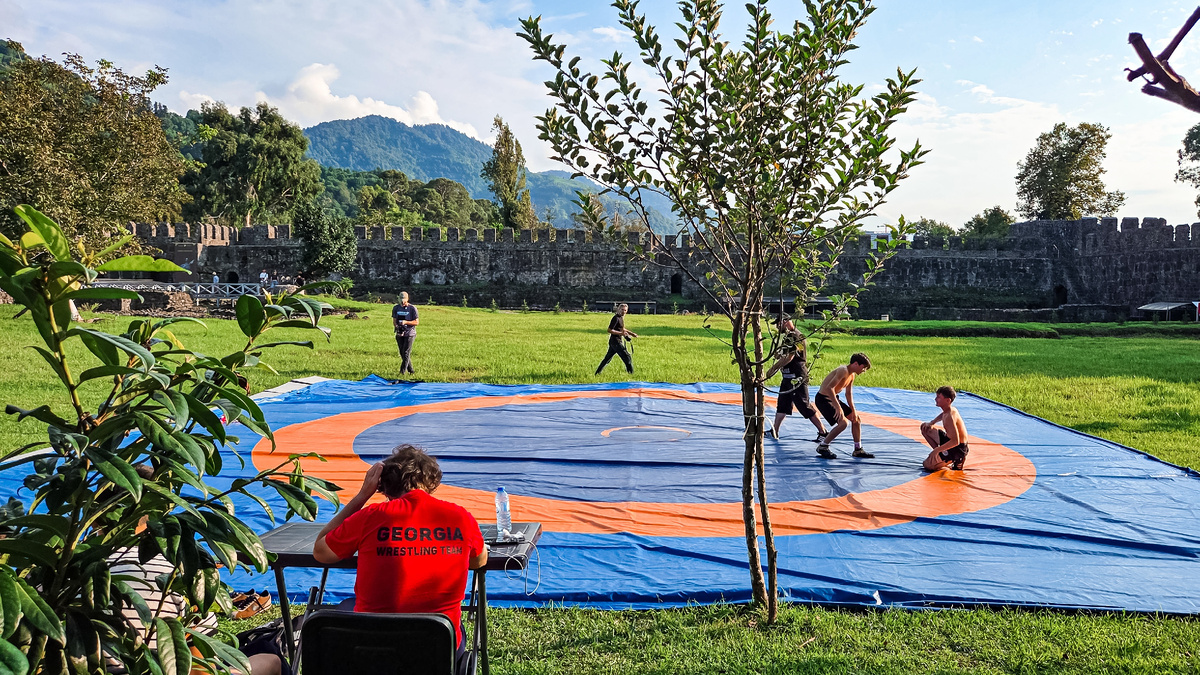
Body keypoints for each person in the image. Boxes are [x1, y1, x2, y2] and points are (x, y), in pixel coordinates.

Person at [313, 445, 487, 663]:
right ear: (431, 481)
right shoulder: (461, 517)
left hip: (372, 648)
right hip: (436, 648)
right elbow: (479, 560)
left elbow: (321, 551)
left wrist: (361, 496)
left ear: (385, 487)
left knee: (347, 608)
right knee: (453, 623)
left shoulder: (370, 517)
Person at [763, 336, 827, 441]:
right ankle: (774, 431)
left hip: (796, 377)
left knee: (804, 405)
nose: (778, 327)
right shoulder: (784, 336)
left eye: (779, 323)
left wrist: (774, 368)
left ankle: (823, 432)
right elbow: (784, 353)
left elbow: (789, 357)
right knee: (782, 404)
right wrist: (778, 354)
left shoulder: (794, 336)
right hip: (787, 377)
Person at [813, 353, 873, 459]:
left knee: (856, 419)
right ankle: (823, 446)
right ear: (855, 364)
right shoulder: (843, 370)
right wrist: (838, 407)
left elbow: (848, 393)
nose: (863, 371)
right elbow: (829, 388)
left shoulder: (852, 375)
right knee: (843, 423)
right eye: (863, 368)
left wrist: (853, 410)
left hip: (833, 398)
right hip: (823, 399)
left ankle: (858, 449)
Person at [921, 386, 970, 471]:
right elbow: (943, 414)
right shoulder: (950, 410)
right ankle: (941, 455)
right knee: (925, 427)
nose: (935, 399)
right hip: (950, 441)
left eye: (939, 397)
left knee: (927, 465)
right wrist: (932, 422)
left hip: (957, 448)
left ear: (948, 400)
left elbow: (955, 441)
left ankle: (955, 458)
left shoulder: (950, 417)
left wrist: (936, 450)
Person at [595, 303, 637, 374]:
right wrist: (621, 334)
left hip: (614, 342)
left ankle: (597, 373)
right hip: (615, 342)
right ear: (618, 309)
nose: (623, 311)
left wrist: (631, 334)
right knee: (627, 357)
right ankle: (631, 374)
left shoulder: (621, 318)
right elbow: (609, 330)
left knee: (607, 359)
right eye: (622, 309)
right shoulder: (616, 318)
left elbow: (622, 328)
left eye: (625, 310)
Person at [392, 292, 420, 375]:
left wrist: (406, 322)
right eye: (401, 300)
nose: (402, 302)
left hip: (410, 333)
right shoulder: (396, 308)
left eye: (404, 300)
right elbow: (394, 321)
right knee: (402, 353)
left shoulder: (412, 308)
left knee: (406, 353)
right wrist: (397, 327)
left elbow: (416, 322)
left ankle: (402, 372)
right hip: (399, 333)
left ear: (407, 299)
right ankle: (411, 371)